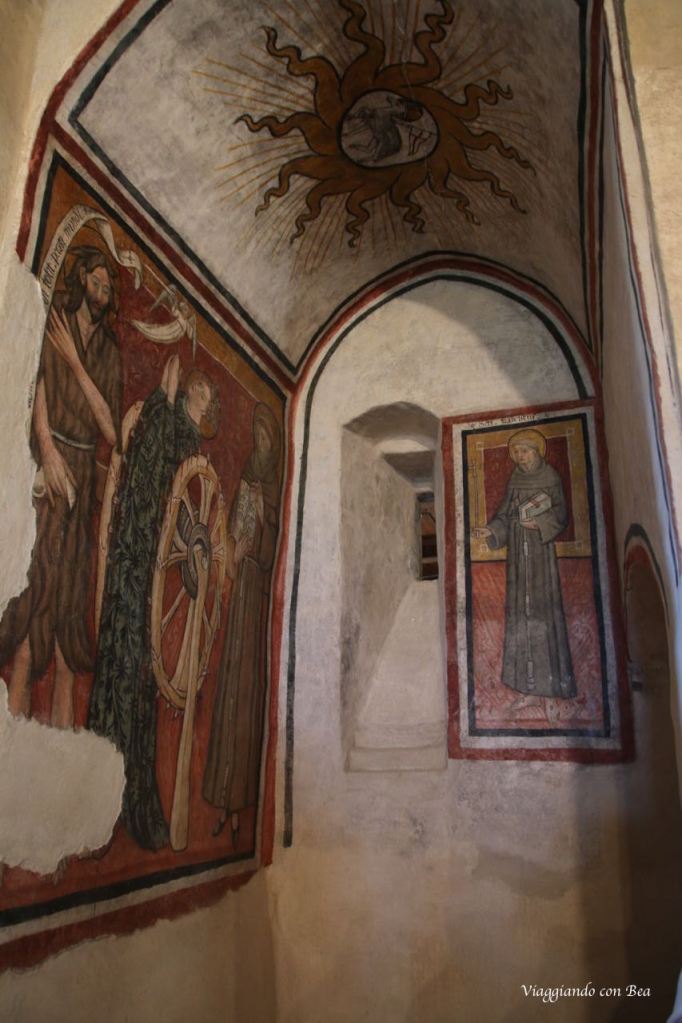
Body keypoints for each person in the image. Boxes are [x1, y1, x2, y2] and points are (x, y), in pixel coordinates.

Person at [88, 354, 219, 850]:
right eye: (201, 393)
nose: (204, 402)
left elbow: (181, 509)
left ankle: (130, 796)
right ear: (190, 394)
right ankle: (100, 801)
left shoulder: (183, 438)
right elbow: (157, 490)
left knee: (139, 684)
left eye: (207, 398)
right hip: (136, 565)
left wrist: (195, 551)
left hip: (150, 571)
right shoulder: (168, 428)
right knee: (122, 672)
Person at [0, 246, 122, 728]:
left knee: (71, 597)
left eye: (107, 287)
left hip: (83, 474)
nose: (101, 292)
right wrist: (47, 452)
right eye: (96, 282)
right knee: (36, 590)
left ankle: (61, 744)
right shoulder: (56, 322)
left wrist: (75, 363)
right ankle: (11, 726)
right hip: (50, 464)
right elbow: (37, 385)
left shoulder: (108, 351)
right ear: (81, 279)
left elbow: (111, 430)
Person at [202, 403, 281, 842]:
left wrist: (262, 514)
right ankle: (222, 801)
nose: (260, 442)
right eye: (257, 435)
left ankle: (238, 803)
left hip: (256, 596)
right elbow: (233, 526)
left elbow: (271, 544)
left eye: (266, 437)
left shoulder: (272, 483)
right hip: (240, 594)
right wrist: (233, 543)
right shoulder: (249, 473)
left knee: (247, 692)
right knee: (229, 689)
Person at [473, 428, 576, 711]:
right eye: (516, 452)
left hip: (541, 555)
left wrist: (539, 524)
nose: (520, 456)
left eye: (525, 451)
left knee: (545, 614)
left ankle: (551, 693)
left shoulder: (550, 477)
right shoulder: (515, 479)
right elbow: (505, 514)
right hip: (518, 555)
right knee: (520, 614)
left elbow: (561, 514)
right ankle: (527, 689)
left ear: (536, 451)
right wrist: (491, 530)